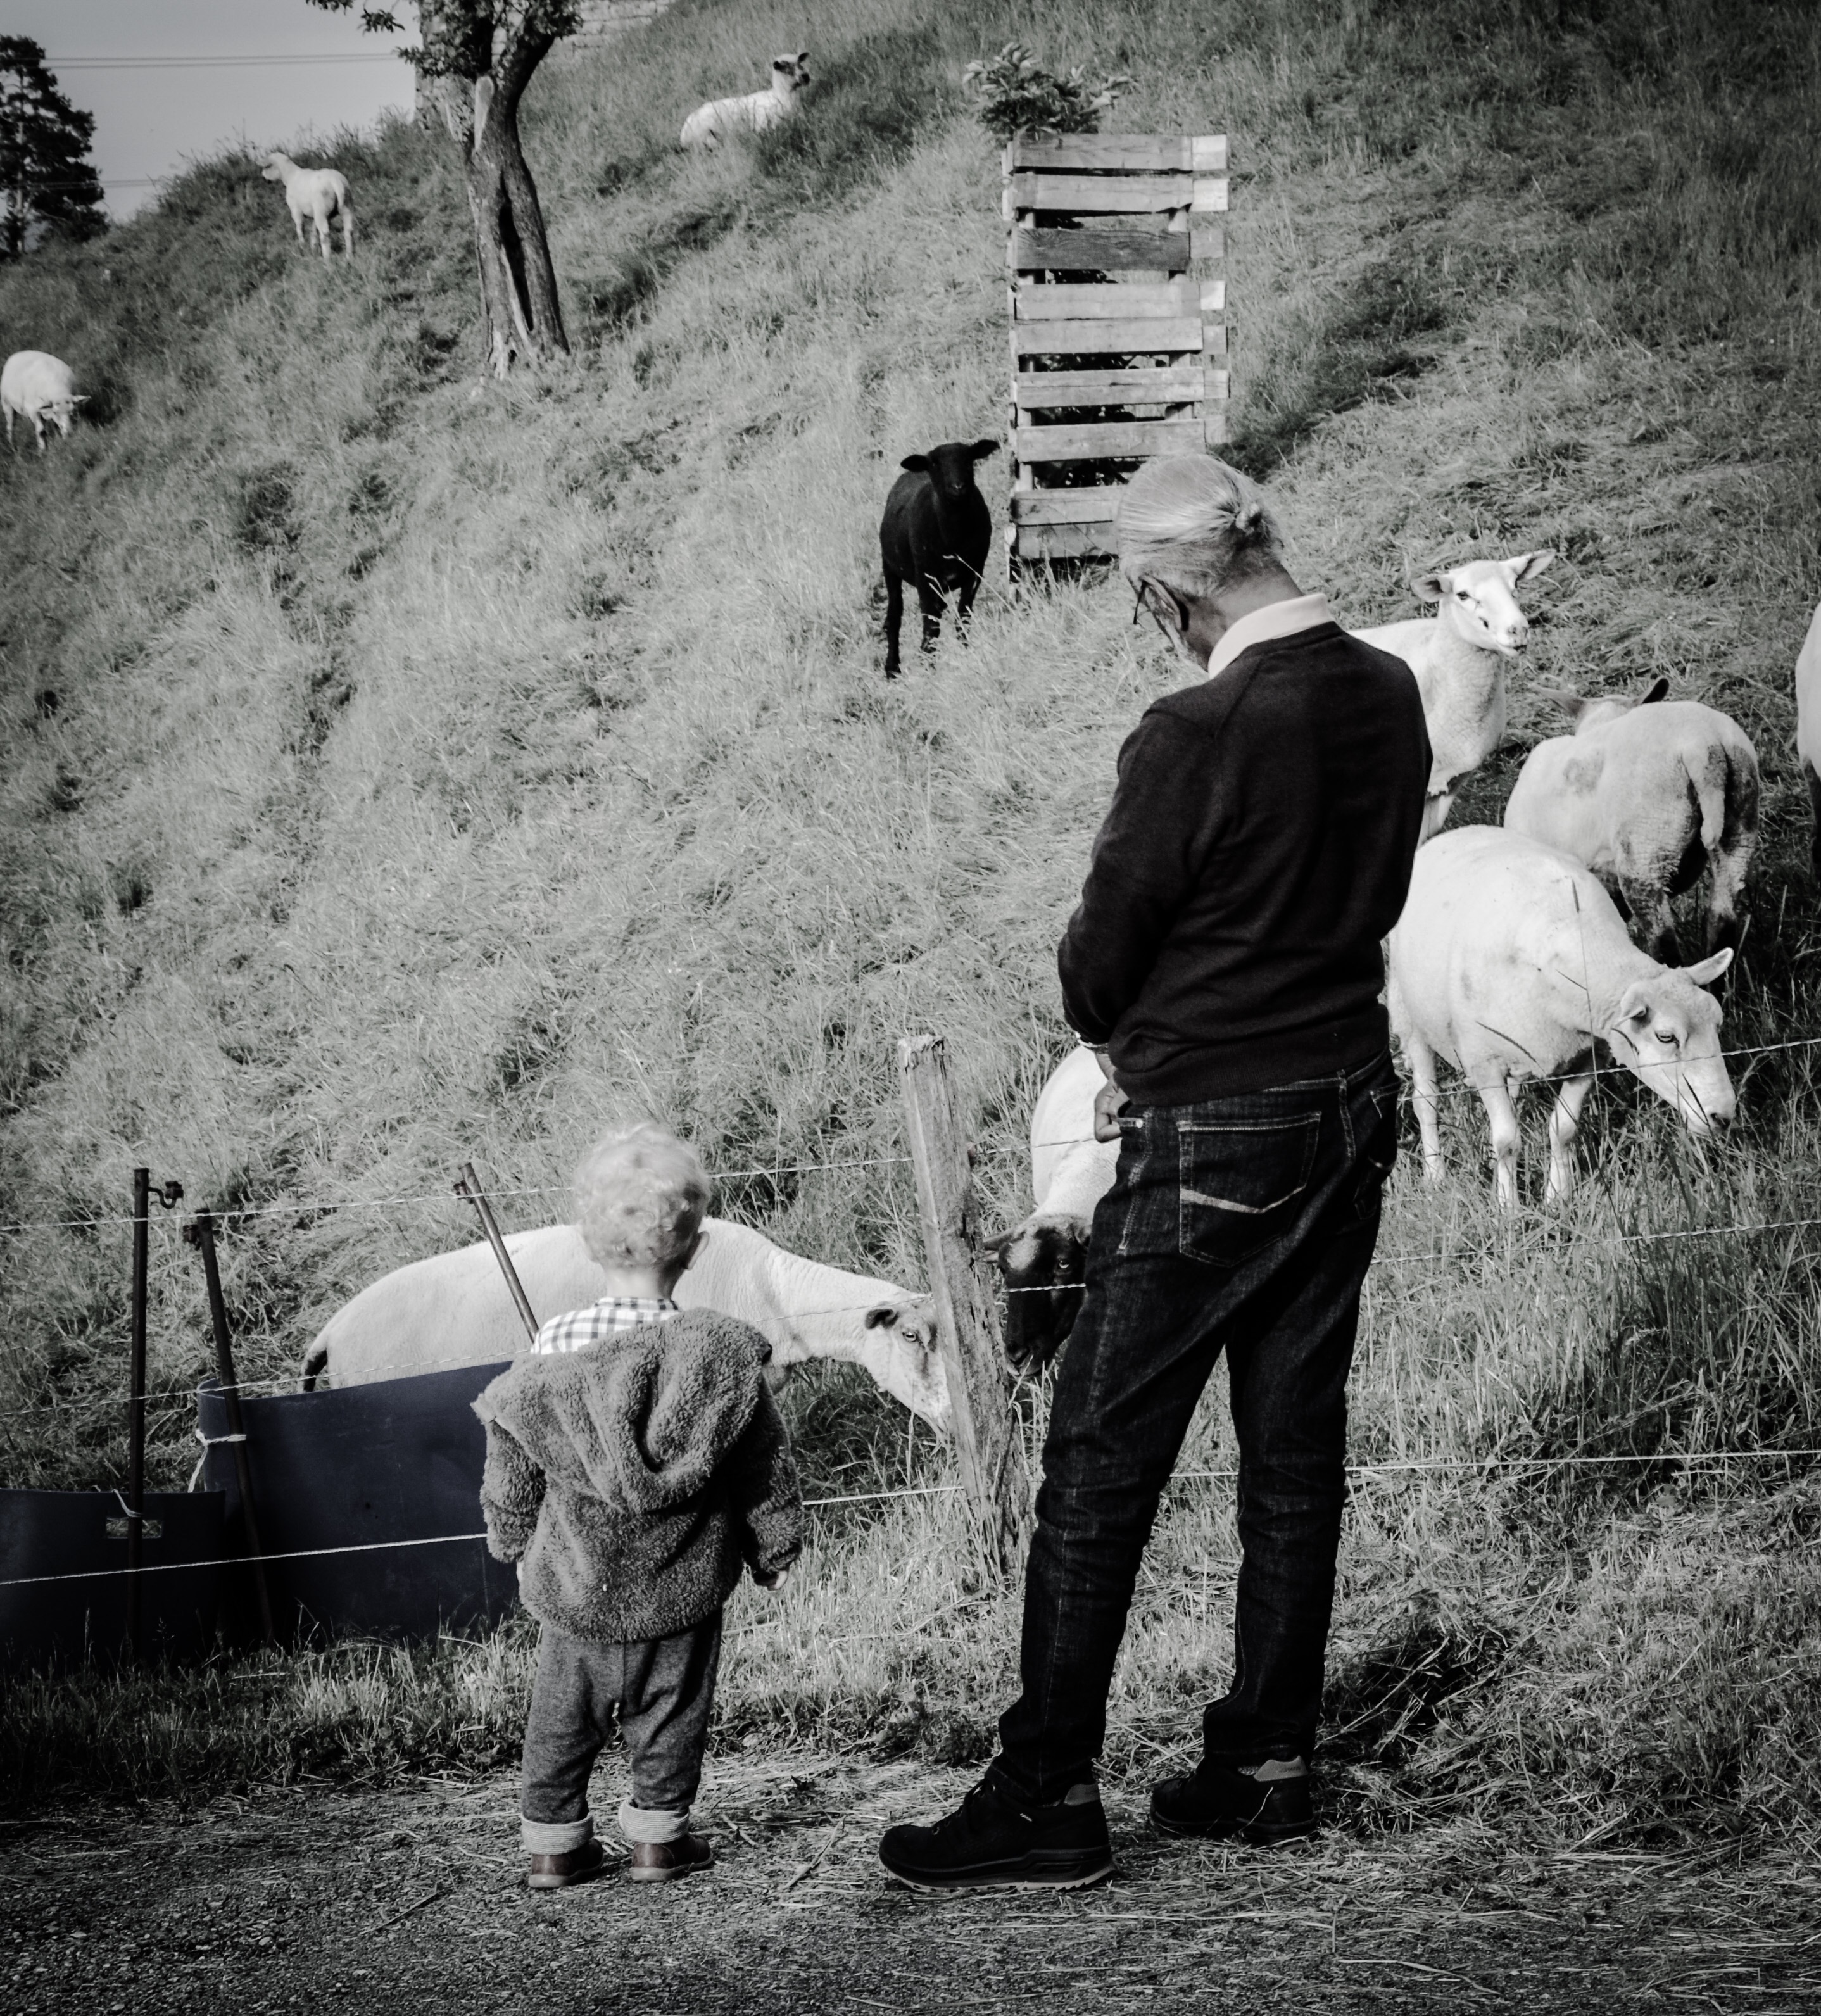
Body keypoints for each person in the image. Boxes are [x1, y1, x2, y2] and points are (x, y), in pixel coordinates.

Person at [879, 455, 1431, 1892]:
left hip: (1209, 1124)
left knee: (1095, 1462)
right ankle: (1263, 1760)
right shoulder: (1384, 690)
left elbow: (1091, 971)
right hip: (1347, 1096)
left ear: (1157, 587)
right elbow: (1365, 892)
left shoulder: (1190, 730)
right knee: (1289, 1449)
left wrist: (1157, 1001)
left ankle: (1045, 1790)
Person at [474, 1123, 804, 1889]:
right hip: (680, 1579)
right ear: (692, 1249)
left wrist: (511, 1531)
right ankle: (659, 1838)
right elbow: (763, 1467)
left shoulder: (553, 1348)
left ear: (590, 1246)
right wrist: (773, 1549)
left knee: (561, 1714)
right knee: (674, 1706)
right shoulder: (718, 1356)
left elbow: (512, 1451)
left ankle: (554, 1845)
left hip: (576, 1580)